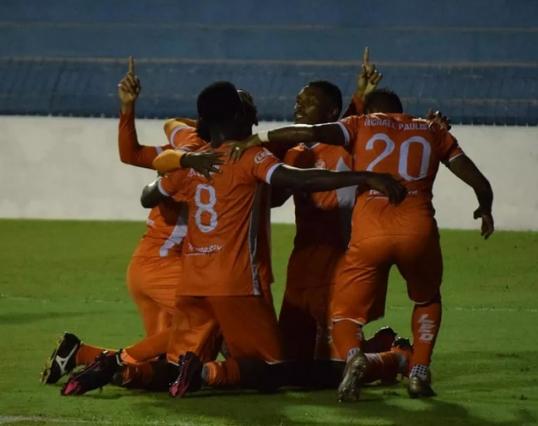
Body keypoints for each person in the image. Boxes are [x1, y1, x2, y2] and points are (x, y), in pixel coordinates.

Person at [230, 88, 494, 400]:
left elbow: (340, 130)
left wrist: (257, 140)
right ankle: (403, 360)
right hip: (313, 263)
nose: (298, 104)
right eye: (298, 99)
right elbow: (275, 196)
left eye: (308, 100)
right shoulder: (299, 151)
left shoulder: (353, 138)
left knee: (325, 359)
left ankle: (389, 358)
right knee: (289, 364)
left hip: (347, 256)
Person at [41, 57, 223, 387]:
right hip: (164, 263)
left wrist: (129, 109)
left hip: (146, 263)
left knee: (163, 362)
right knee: (206, 321)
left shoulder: (184, 145)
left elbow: (139, 148)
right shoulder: (197, 156)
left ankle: (80, 354)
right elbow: (149, 154)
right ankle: (114, 361)